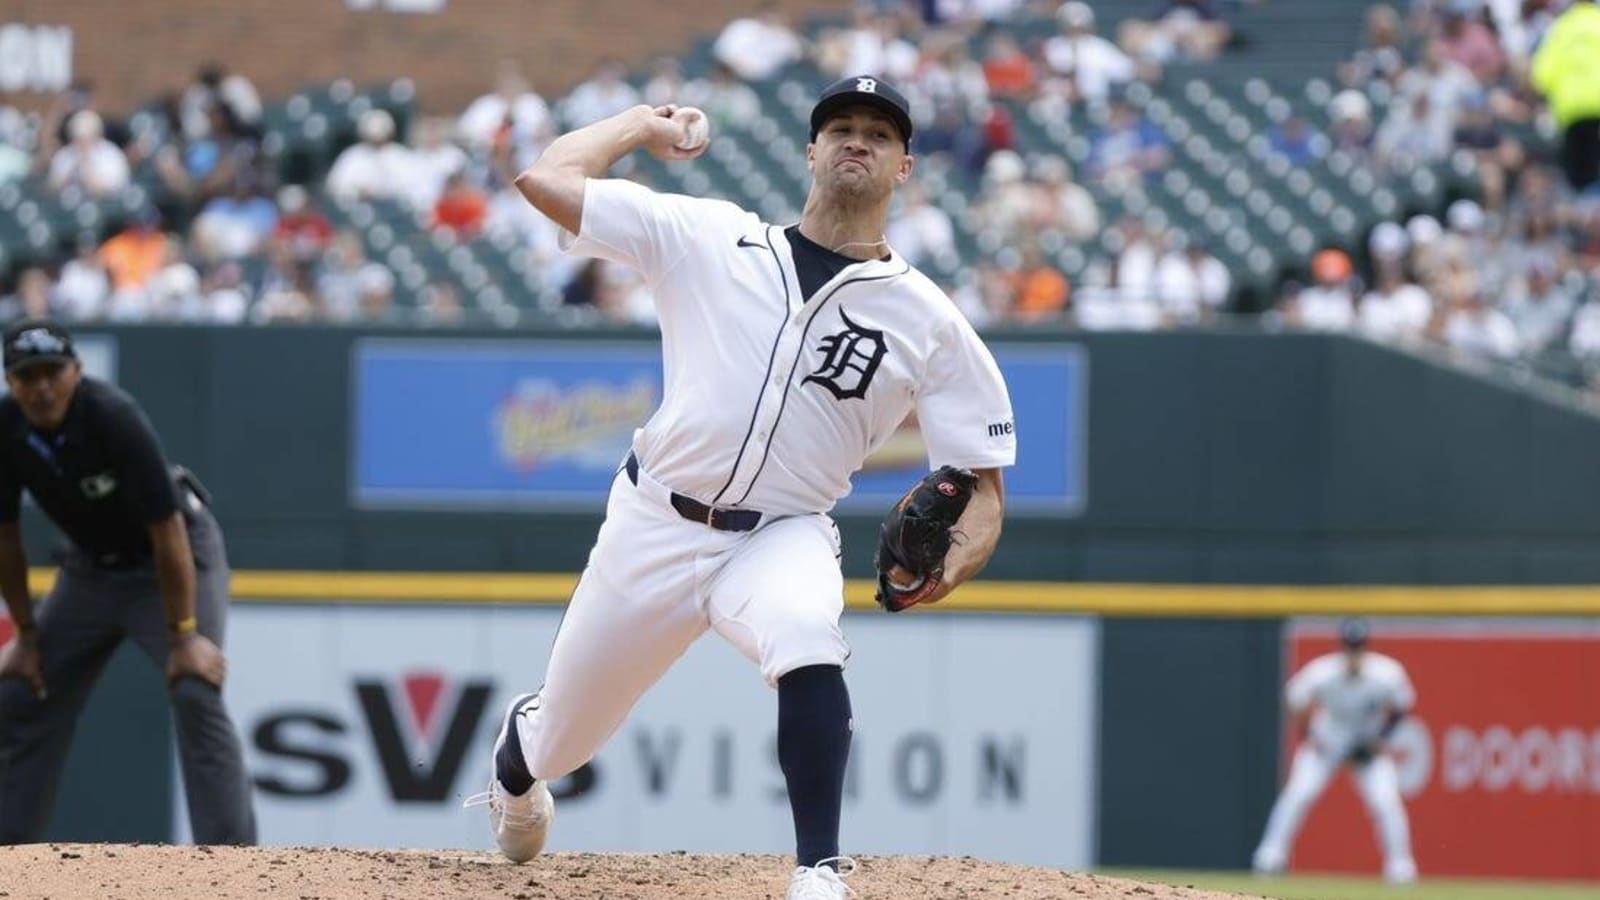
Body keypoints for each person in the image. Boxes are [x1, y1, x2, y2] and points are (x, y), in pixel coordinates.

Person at [465, 77, 1015, 899]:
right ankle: (519, 757)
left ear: (904, 165)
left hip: (782, 531)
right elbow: (546, 181)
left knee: (806, 632)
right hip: (655, 519)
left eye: (877, 132)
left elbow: (983, 488)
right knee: (562, 743)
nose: (856, 140)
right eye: (839, 127)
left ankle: (818, 870)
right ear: (811, 150)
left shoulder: (927, 318)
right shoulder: (709, 237)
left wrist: (948, 569)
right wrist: (637, 125)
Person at [0, 320, 256, 845]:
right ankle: (9, 856)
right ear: (9, 381)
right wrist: (25, 637)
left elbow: (167, 528)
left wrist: (184, 636)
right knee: (22, 692)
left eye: (52, 372)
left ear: (76, 371)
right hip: (90, 572)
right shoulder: (6, 428)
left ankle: (237, 866)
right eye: (28, 376)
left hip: (173, 558)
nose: (42, 387)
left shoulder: (111, 415)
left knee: (194, 686)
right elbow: (5, 538)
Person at [1252, 619, 1417, 884]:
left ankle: (1401, 868)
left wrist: (1380, 740)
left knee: (1386, 802)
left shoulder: (1386, 673)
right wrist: (1308, 734)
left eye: (1358, 647)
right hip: (1328, 741)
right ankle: (1269, 857)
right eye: (1350, 647)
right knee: (1298, 794)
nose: (1354, 653)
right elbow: (1295, 699)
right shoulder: (1324, 672)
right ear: (1343, 647)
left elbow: (1402, 706)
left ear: (1365, 647)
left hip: (1366, 745)